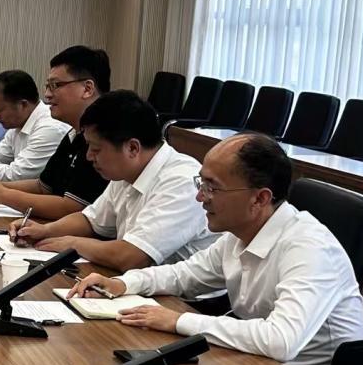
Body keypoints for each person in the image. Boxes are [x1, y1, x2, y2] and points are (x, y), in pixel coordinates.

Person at [69, 133, 363, 365]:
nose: (200, 197)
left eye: (212, 187)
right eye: (201, 183)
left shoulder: (310, 248)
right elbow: (185, 275)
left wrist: (178, 320)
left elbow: (280, 340)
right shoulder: (240, 232)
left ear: (260, 198)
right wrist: (123, 283)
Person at [13, 90, 217, 269]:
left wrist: (72, 243)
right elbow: (91, 220)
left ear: (132, 148)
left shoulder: (181, 182)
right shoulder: (127, 170)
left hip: (181, 297)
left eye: (96, 149)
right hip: (141, 284)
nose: (89, 156)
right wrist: (44, 230)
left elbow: (131, 257)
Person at [0, 46, 110, 220]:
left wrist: (3, 194)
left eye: (55, 85)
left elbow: (71, 208)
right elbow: (43, 187)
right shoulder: (73, 134)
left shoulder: (106, 138)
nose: (47, 95)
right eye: (47, 86)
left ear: (87, 89)